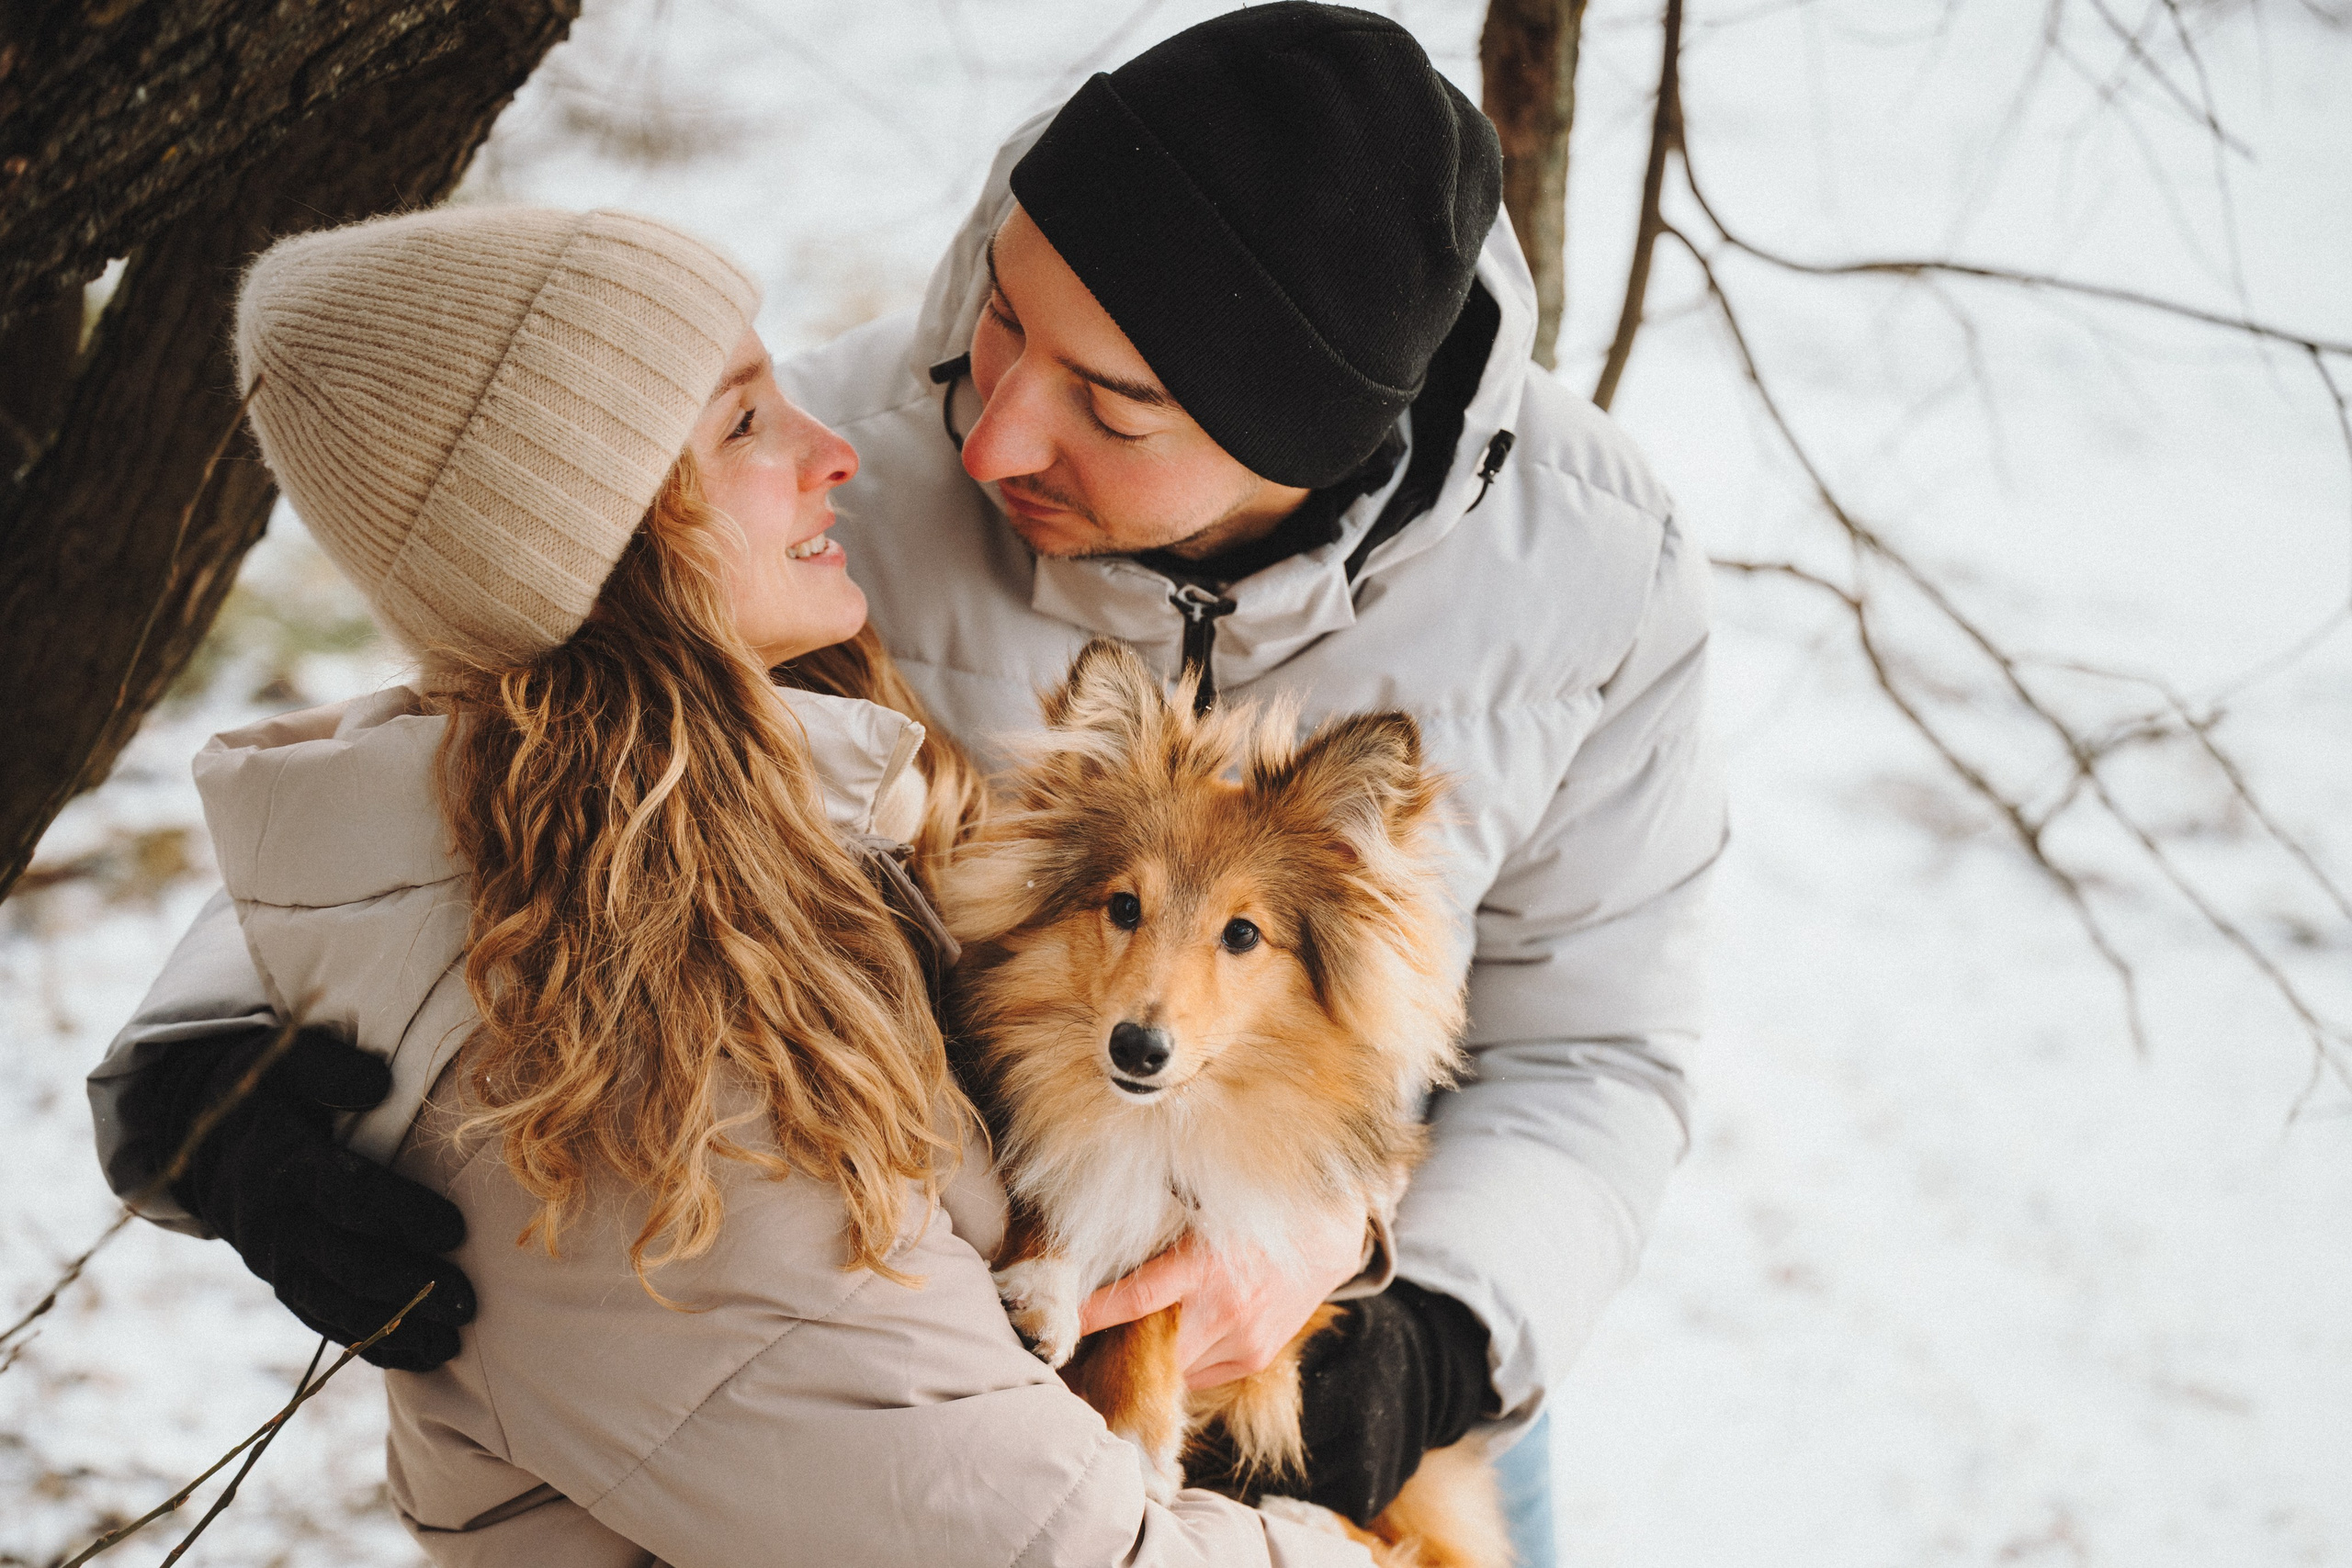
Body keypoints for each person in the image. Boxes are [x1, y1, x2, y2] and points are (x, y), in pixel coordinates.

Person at [93, 6, 1724, 1562]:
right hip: (985, 1315)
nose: (993, 436)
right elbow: (519, 724)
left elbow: (1596, 1046)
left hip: (1360, 1310)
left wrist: (1430, 1334)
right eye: (1003, 317)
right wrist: (205, 1075)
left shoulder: (1595, 570)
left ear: (1302, 441)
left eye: (1111, 405)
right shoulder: (847, 455)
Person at [164, 200, 1385, 1565]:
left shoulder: (791, 803)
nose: (837, 448)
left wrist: (1327, 1231)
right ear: (599, 544)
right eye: (747, 422)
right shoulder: (648, 1051)